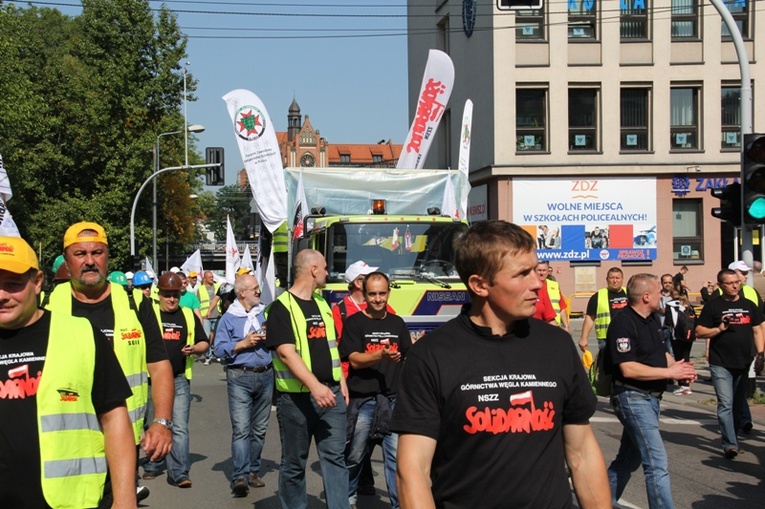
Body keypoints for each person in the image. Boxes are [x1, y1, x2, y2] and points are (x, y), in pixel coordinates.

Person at [391, 220, 610, 508]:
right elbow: (412, 471)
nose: (537, 283)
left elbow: (582, 453)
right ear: (480, 285)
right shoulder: (432, 356)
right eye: (522, 274)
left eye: (536, 270)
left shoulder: (556, 345)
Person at [0, 236, 137, 509]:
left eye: (12, 284)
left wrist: (125, 499)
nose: (1, 295)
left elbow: (115, 419)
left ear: (38, 282)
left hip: (72, 501)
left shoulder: (81, 334)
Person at [46, 221, 174, 503]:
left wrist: (162, 421)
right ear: (67, 260)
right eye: (80, 254)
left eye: (97, 252)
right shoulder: (47, 304)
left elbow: (159, 365)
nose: (90, 261)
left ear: (107, 256)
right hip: (65, 444)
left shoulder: (134, 303)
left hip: (123, 440)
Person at [265, 249, 349, 509]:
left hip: (332, 395)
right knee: (294, 463)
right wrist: (315, 387)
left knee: (335, 459)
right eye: (324, 267)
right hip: (297, 400)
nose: (327, 272)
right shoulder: (280, 308)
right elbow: (286, 353)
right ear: (313, 269)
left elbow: (332, 347)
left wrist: (341, 384)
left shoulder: (323, 304)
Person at [606, 274, 697, 508]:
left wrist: (679, 368)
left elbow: (661, 355)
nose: (663, 297)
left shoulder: (653, 319)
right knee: (656, 463)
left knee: (629, 459)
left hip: (651, 398)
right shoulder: (623, 323)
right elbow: (628, 368)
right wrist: (670, 374)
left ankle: (599, 501)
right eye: (659, 293)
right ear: (646, 297)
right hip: (633, 397)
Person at [340, 272, 411, 509]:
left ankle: (398, 505)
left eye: (382, 293)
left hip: (391, 400)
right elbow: (355, 360)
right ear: (365, 294)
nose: (378, 299)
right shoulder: (355, 323)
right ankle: (347, 499)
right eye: (373, 294)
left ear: (388, 292)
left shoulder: (397, 323)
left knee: (394, 458)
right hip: (363, 401)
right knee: (355, 455)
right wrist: (380, 354)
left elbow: (407, 357)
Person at [142, 272, 209, 487]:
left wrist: (195, 349)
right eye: (167, 295)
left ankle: (180, 472)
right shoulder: (148, 313)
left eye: (175, 295)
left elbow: (204, 343)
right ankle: (153, 464)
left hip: (179, 379)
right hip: (151, 380)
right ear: (158, 294)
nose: (172, 299)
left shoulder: (188, 315)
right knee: (153, 423)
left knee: (179, 426)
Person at [214, 274, 274, 497]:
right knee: (241, 429)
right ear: (242, 293)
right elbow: (218, 350)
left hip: (266, 375)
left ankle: (253, 471)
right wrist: (243, 343)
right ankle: (240, 474)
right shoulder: (228, 319)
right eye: (255, 289)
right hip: (240, 376)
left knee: (259, 429)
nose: (259, 292)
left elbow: (277, 338)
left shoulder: (264, 313)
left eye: (258, 288)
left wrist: (269, 336)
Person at [695, 269, 764, 458]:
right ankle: (730, 444)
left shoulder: (749, 304)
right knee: (725, 403)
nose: (735, 285)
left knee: (737, 404)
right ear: (720, 286)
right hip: (720, 363)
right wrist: (719, 329)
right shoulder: (713, 306)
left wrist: (760, 354)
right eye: (730, 283)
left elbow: (757, 329)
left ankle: (732, 436)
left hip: (743, 362)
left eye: (737, 282)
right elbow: (699, 331)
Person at [579, 267, 628, 351]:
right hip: (605, 338)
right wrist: (583, 338)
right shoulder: (598, 296)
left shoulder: (630, 294)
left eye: (617, 278)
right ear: (607, 279)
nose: (615, 281)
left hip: (628, 335)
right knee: (606, 363)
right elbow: (589, 318)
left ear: (622, 279)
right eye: (611, 278)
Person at [666, 288, 697, 396]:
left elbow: (668, 322)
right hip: (689, 336)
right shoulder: (689, 305)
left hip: (677, 336)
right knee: (687, 358)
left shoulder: (671, 304)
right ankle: (687, 383)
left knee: (679, 359)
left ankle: (682, 385)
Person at [199, 270, 221, 366]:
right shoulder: (200, 289)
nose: (212, 278)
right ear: (205, 279)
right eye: (210, 277)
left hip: (217, 315)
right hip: (205, 317)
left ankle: (217, 353)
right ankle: (208, 356)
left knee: (217, 337)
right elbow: (197, 303)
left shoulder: (218, 287)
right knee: (207, 336)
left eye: (212, 277)